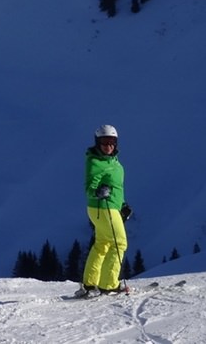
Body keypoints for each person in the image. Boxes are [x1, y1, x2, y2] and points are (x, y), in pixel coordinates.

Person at [75, 124, 131, 297]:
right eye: (104, 141)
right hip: (102, 207)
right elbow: (89, 186)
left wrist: (122, 205)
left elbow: (116, 187)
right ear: (97, 143)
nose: (108, 145)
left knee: (103, 244)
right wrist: (97, 192)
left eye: (111, 141)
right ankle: (109, 284)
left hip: (109, 207)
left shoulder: (114, 162)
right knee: (119, 243)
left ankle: (90, 284)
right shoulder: (95, 162)